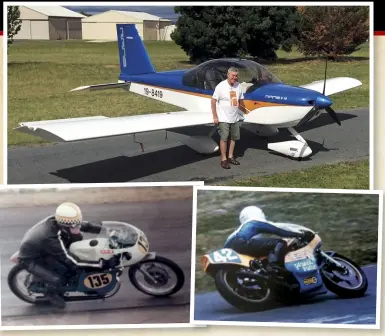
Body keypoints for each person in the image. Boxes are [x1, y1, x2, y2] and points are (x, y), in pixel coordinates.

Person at [17, 202, 104, 308]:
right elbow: (66, 258)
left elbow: (85, 226)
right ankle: (50, 294)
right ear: (64, 225)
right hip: (32, 258)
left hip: (43, 248)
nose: (76, 226)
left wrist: (104, 229)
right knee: (59, 276)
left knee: (77, 237)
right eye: (73, 225)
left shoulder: (62, 221)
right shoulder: (50, 237)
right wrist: (96, 264)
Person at [224, 205, 315, 275]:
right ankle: (275, 267)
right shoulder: (254, 221)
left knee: (264, 256)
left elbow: (260, 244)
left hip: (230, 250)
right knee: (279, 243)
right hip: (241, 242)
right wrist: (299, 234)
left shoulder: (240, 230)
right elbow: (278, 230)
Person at [211, 67, 244, 169]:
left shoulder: (239, 86)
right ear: (228, 75)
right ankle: (224, 159)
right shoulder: (221, 86)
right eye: (233, 75)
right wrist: (215, 116)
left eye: (236, 76)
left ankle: (230, 157)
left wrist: (242, 113)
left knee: (233, 138)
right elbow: (213, 101)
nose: (235, 77)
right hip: (223, 118)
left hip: (235, 117)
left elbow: (241, 101)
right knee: (224, 138)